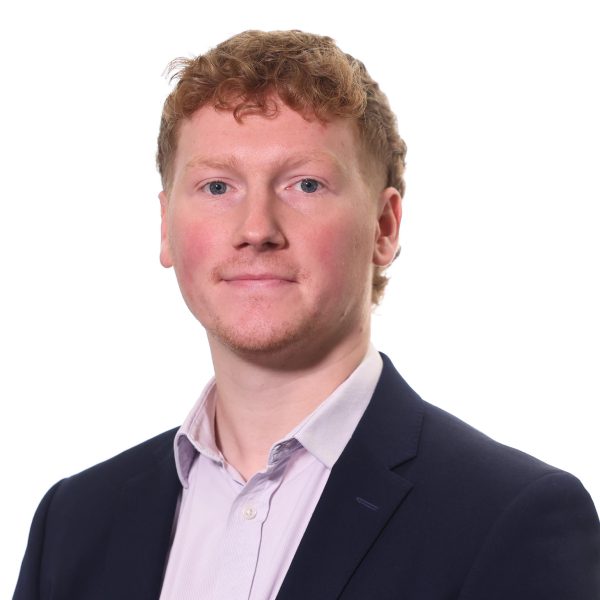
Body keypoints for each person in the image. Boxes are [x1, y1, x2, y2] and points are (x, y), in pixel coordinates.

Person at [13, 29, 600, 600]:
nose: (256, 229)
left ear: (384, 227)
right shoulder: (73, 524)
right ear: (166, 226)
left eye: (306, 184)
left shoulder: (510, 520)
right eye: (217, 187)